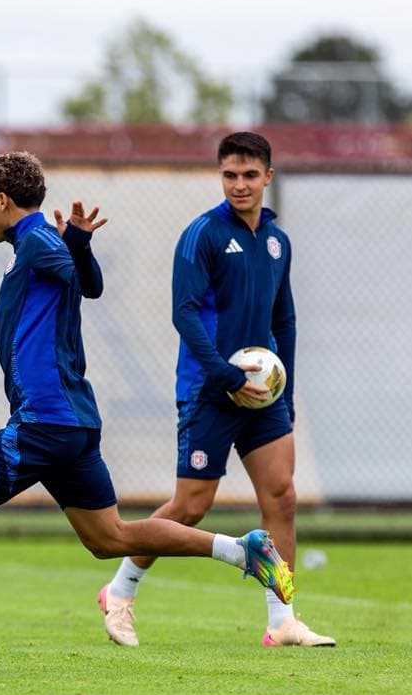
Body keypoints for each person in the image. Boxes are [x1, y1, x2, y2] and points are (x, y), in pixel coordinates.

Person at [0, 151, 293, 668]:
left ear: (2, 201)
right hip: (73, 423)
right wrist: (79, 247)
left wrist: (77, 247)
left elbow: (79, 276)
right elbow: (88, 284)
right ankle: (243, 551)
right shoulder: (37, 242)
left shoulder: (39, 239)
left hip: (42, 422)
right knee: (110, 538)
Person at [98, 131, 335, 648]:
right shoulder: (202, 234)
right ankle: (119, 591)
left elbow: (285, 319)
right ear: (221, 176)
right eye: (230, 175)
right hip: (209, 390)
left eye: (250, 175)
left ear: (268, 177)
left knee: (282, 496)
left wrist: (285, 392)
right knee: (190, 506)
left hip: (263, 395)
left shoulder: (277, 241)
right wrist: (223, 374)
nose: (240, 184)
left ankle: (282, 620)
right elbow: (183, 312)